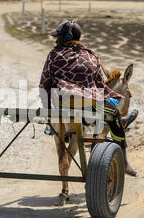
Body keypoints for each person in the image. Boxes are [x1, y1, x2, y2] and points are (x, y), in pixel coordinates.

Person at [39, 20, 138, 177]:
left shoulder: (53, 55)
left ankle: (51, 126)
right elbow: (101, 87)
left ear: (65, 37)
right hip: (87, 107)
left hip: (61, 105)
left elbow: (44, 84)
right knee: (116, 116)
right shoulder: (92, 56)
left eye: (57, 37)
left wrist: (48, 111)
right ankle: (124, 162)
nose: (56, 40)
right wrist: (116, 96)